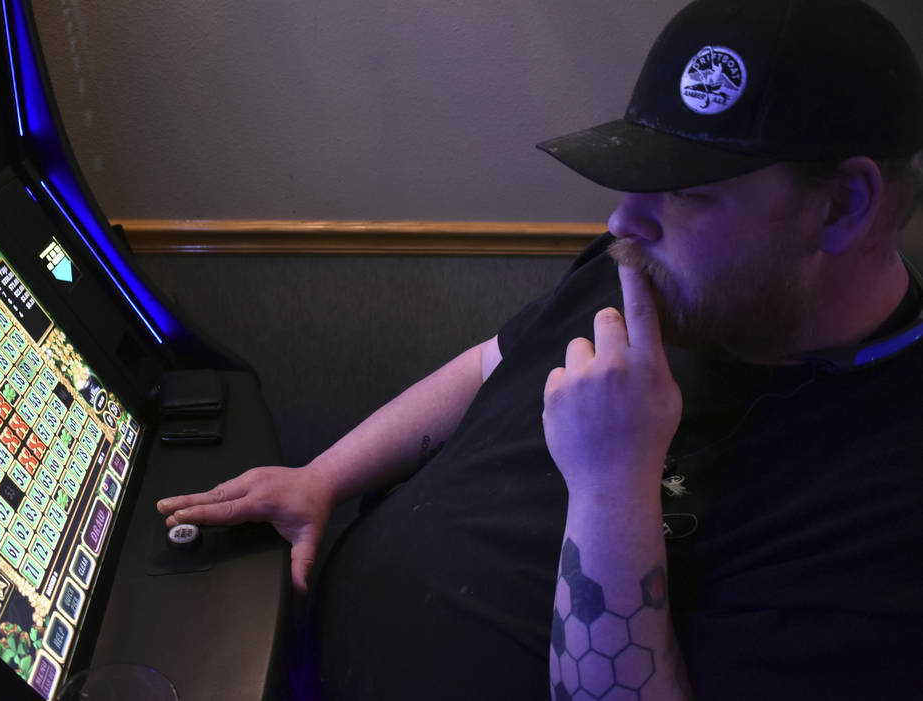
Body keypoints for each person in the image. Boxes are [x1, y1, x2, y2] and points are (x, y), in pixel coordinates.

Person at [158, 0, 923, 698]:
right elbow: (494, 361)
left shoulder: (887, 501)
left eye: (689, 191)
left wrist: (613, 482)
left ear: (841, 205)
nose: (624, 221)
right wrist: (322, 477)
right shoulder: (658, 272)